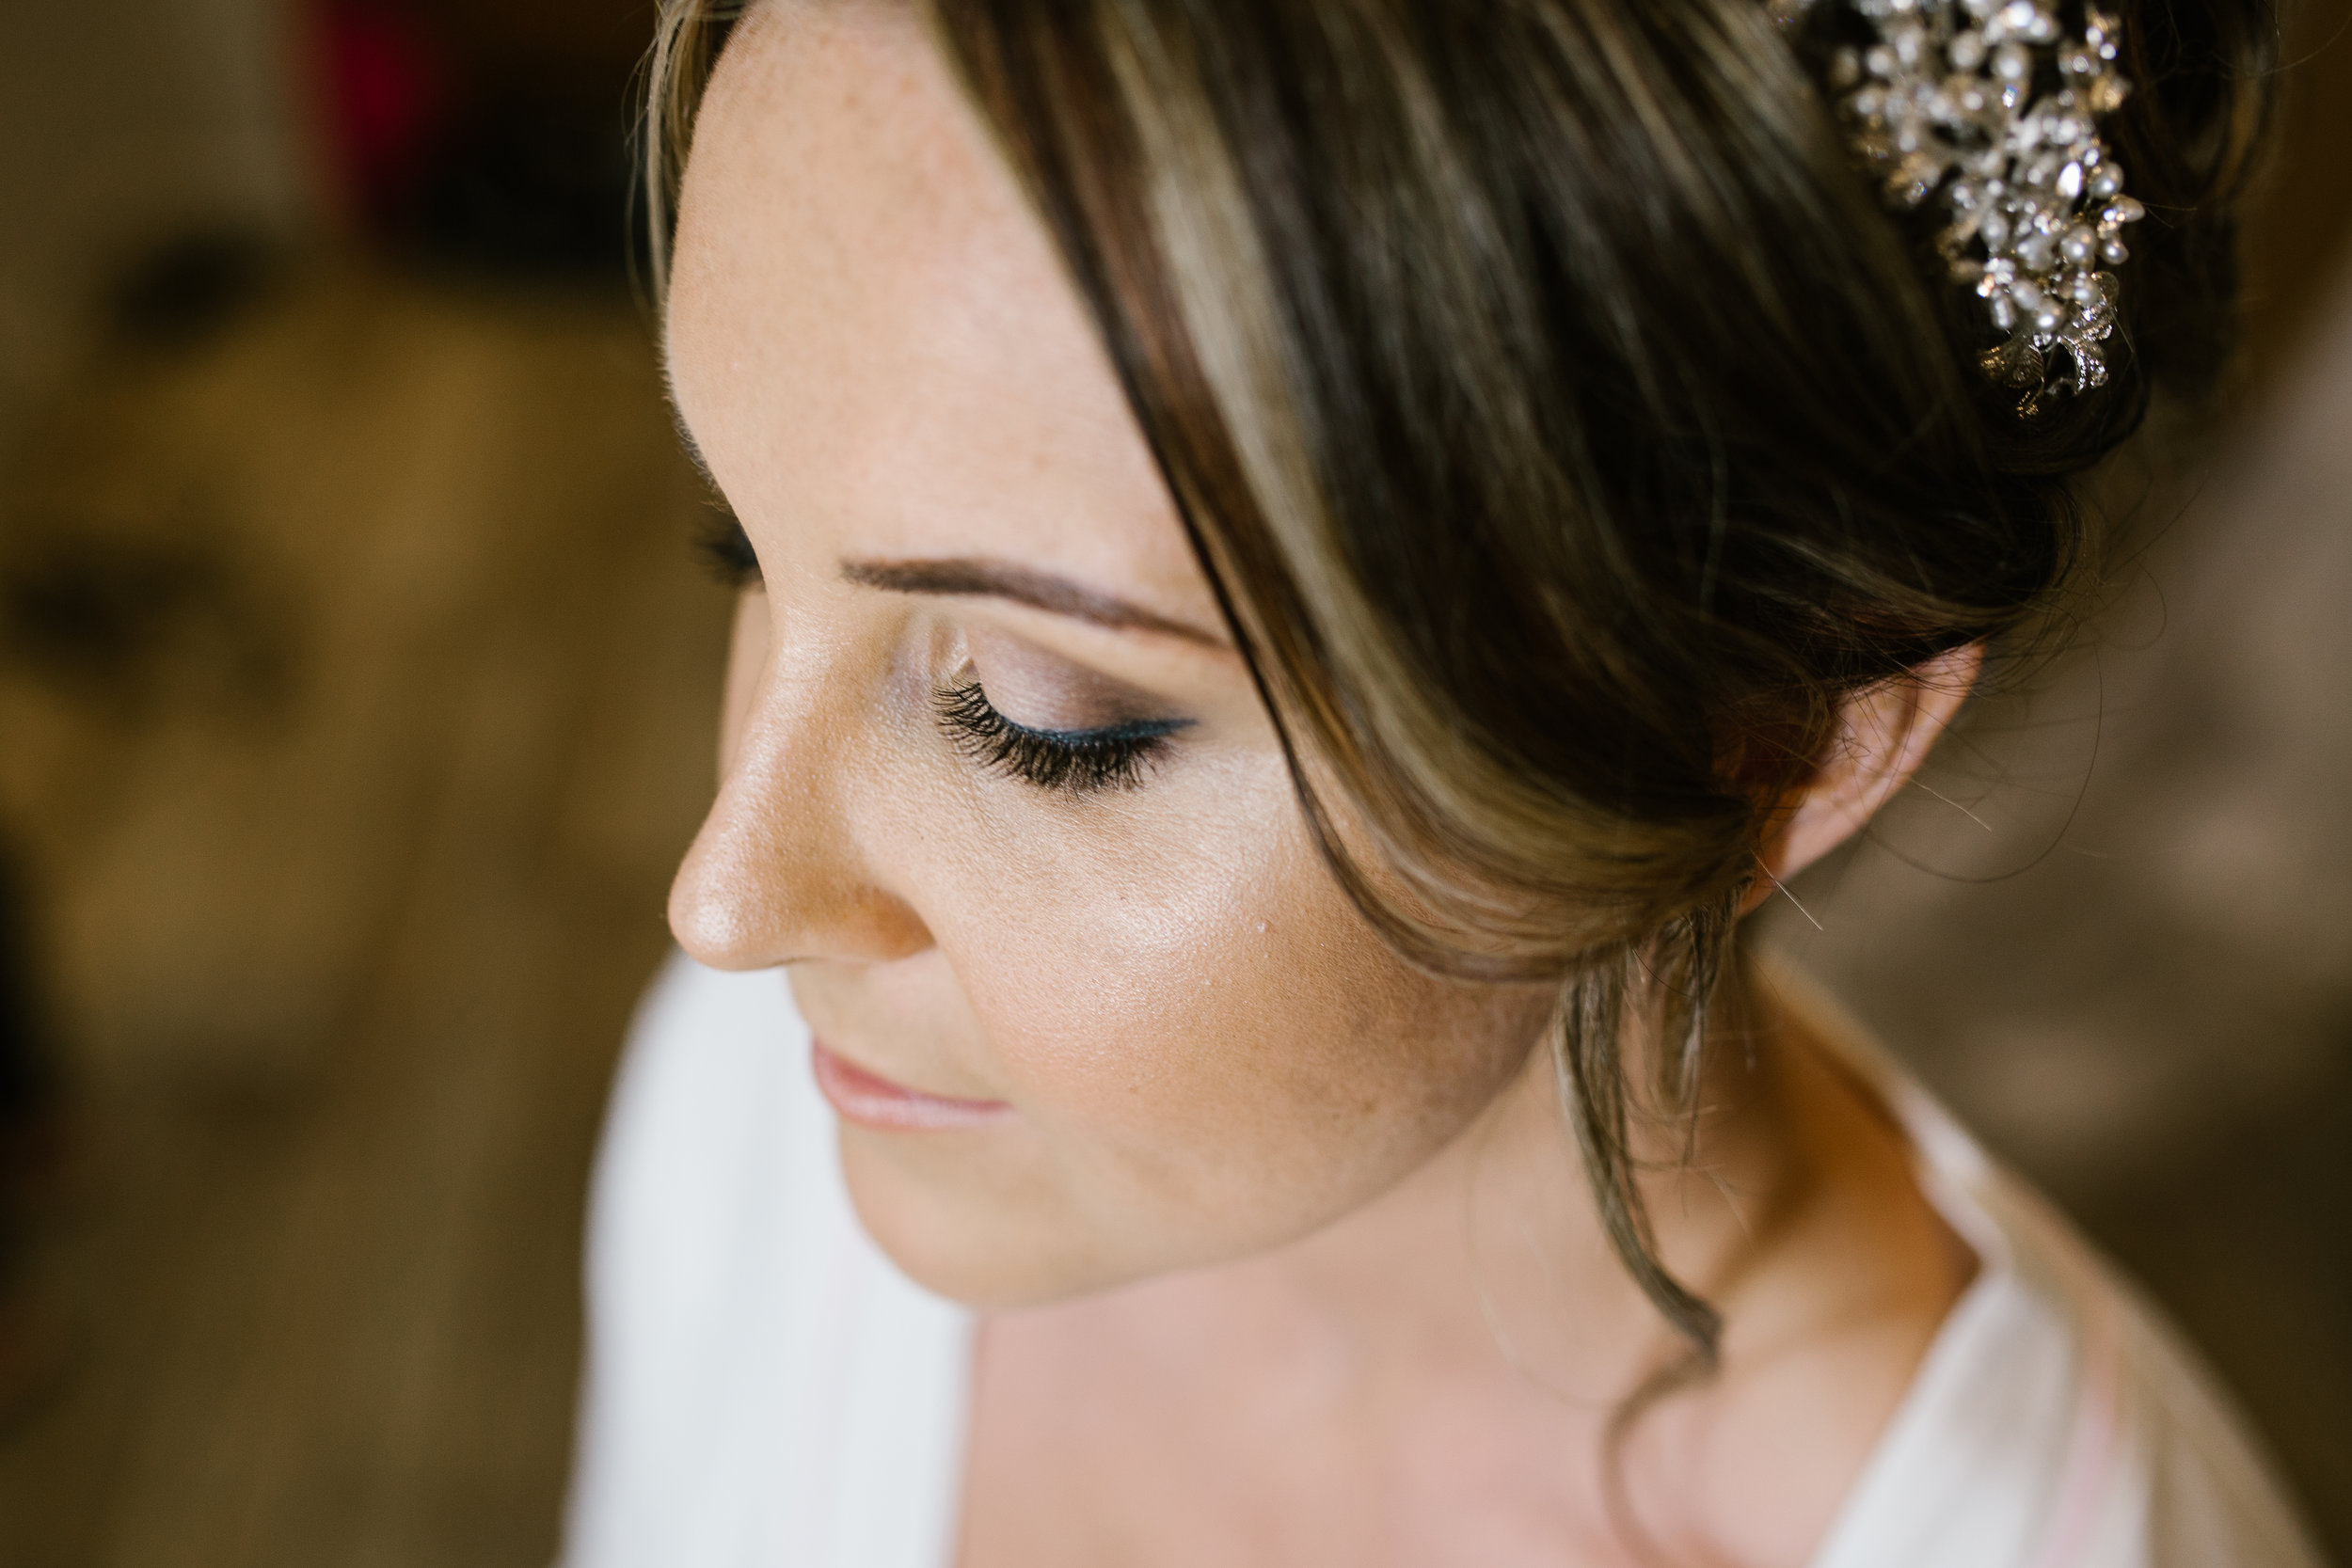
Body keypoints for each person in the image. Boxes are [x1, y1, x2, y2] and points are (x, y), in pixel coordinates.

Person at [562, 0, 2329, 1562]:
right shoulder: (779, 1116)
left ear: (1775, 741)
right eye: (747, 551)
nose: (724, 902)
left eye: (1045, 715)